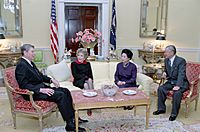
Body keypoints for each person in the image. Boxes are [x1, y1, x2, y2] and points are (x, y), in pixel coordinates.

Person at [15, 44, 86, 132]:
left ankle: (74, 118)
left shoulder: (30, 63)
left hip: (41, 89)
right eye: (32, 51)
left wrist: (51, 80)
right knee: (60, 95)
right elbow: (23, 85)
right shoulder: (21, 65)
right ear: (25, 52)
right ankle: (70, 125)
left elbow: (40, 76)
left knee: (66, 91)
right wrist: (41, 90)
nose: (34, 54)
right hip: (33, 93)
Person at [153, 45, 189, 121]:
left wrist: (178, 85)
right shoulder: (166, 60)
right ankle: (161, 109)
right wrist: (165, 73)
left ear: (172, 52)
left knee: (177, 93)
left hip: (181, 82)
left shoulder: (181, 60)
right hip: (171, 81)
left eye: (166, 52)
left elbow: (181, 74)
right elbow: (167, 70)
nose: (165, 53)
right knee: (161, 88)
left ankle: (174, 113)